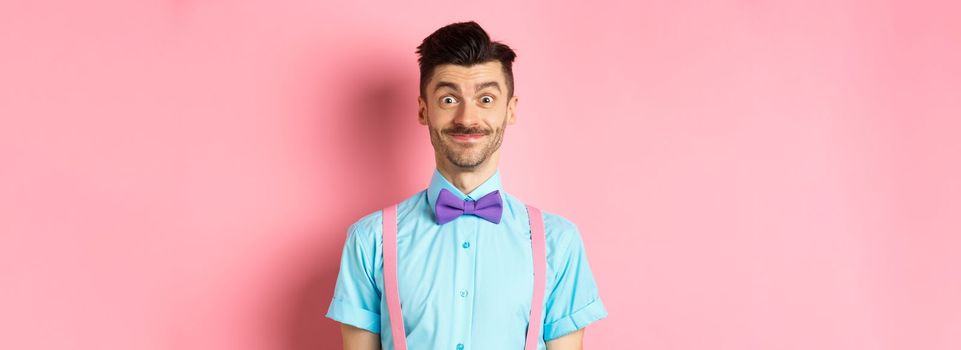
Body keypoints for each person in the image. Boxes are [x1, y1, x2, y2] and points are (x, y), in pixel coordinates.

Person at [326, 21, 608, 350]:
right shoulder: (369, 240)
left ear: (510, 110)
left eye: (486, 98)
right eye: (448, 99)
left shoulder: (559, 242)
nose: (467, 118)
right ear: (423, 109)